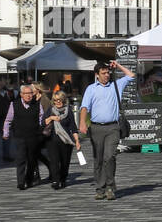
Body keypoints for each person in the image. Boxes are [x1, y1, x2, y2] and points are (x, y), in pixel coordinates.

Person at [78, 59, 136, 201]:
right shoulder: (91, 89)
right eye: (103, 73)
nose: (106, 75)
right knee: (98, 159)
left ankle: (110, 186)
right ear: (97, 75)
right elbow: (84, 107)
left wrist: (119, 66)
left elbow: (131, 75)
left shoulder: (116, 85)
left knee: (109, 157)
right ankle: (100, 188)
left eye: (108, 73)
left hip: (113, 127)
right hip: (96, 127)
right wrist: (82, 123)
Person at [4, 83, 44, 190]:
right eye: (26, 93)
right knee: (21, 158)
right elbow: (8, 120)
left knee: (32, 160)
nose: (28, 95)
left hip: (33, 136)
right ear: (21, 94)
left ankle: (29, 179)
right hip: (19, 136)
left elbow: (42, 119)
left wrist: (41, 129)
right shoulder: (14, 104)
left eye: (30, 93)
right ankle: (21, 182)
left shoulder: (37, 105)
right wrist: (6, 133)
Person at [43, 89, 81, 189]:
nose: (57, 102)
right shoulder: (50, 110)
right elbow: (43, 122)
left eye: (60, 100)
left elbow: (73, 127)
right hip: (52, 140)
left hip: (66, 141)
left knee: (65, 162)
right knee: (54, 161)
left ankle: (63, 178)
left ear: (64, 100)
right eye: (55, 100)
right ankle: (55, 180)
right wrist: (51, 118)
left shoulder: (68, 111)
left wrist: (77, 141)